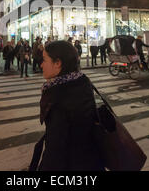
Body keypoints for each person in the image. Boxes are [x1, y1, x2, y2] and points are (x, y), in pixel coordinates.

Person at [30, 41, 104, 171]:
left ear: (58, 63)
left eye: (45, 60)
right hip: (91, 161)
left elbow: (55, 151)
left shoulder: (58, 97)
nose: (41, 65)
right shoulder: (82, 82)